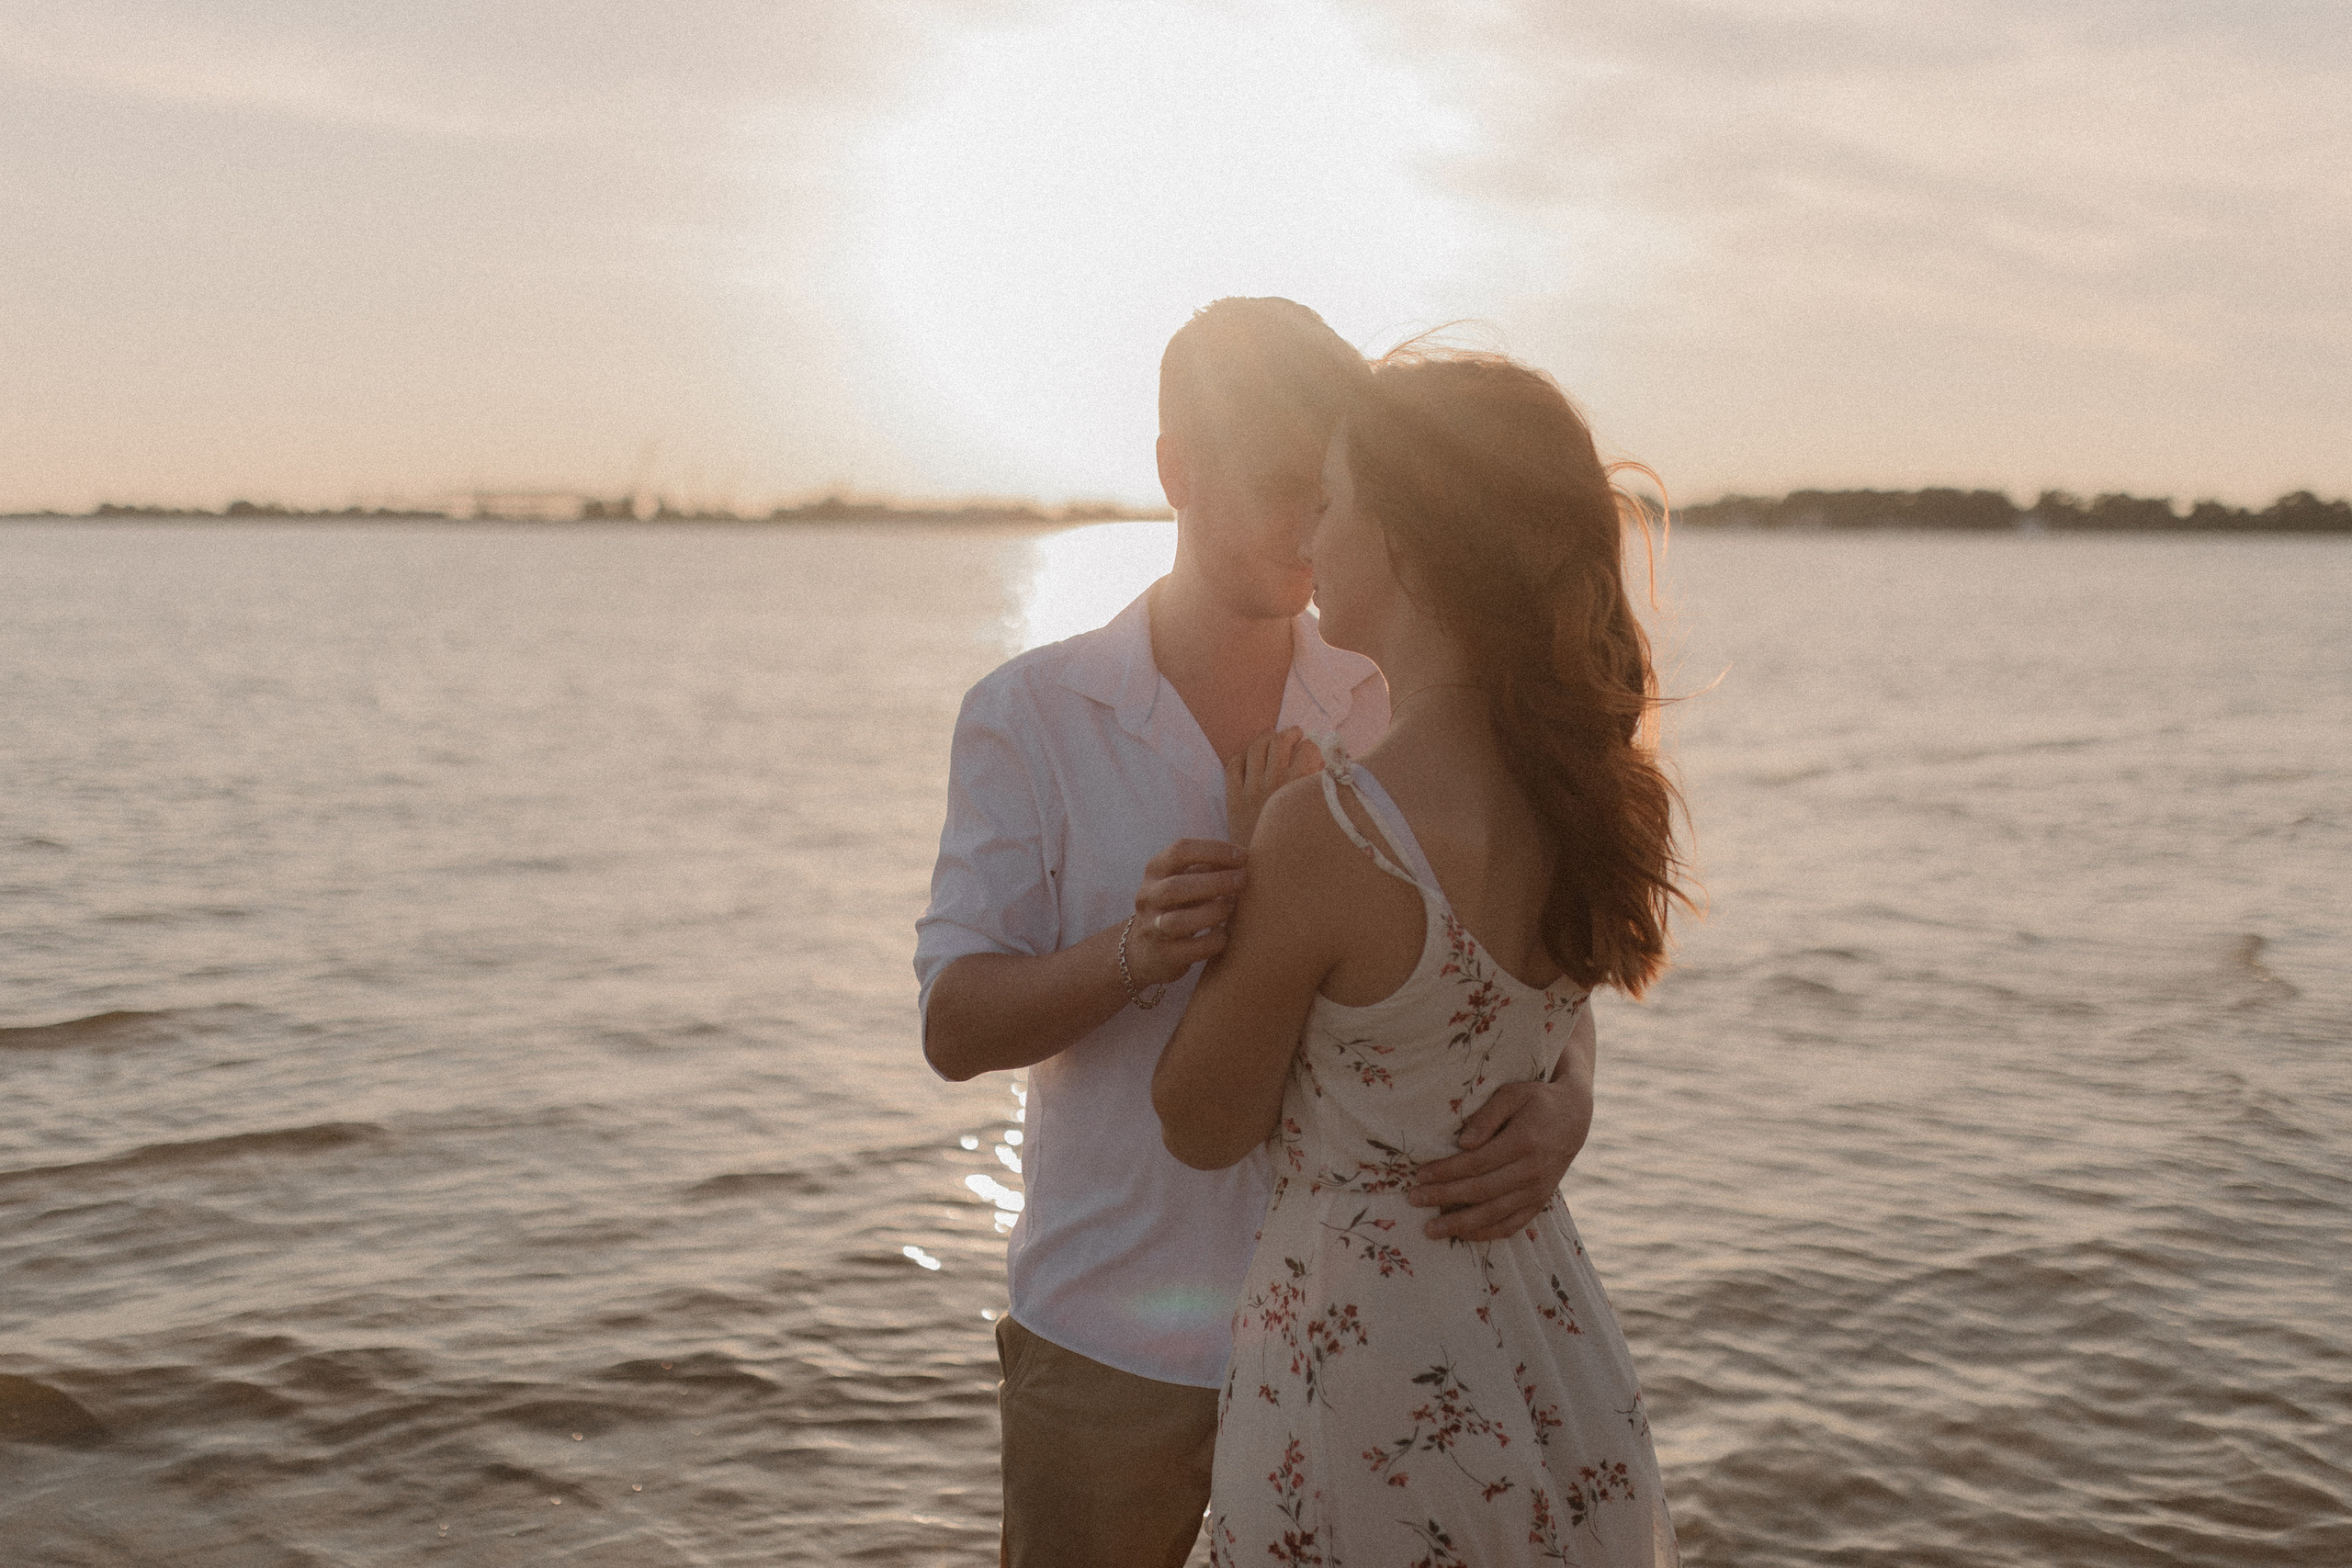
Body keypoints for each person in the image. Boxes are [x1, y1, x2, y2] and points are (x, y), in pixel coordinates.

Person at [916, 300, 1602, 1568]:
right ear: (1176, 470)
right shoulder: (1033, 714)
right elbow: (953, 1025)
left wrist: (1568, 1105)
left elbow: (1523, 966)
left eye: (1328, 490)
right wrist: (1139, 950)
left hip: (1368, 1339)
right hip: (1113, 1347)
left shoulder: (1397, 693)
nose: (1309, 530)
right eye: (1281, 486)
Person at [1153, 346, 1688, 1565]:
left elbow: (1202, 1117)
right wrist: (1571, 1102)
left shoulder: (1333, 831)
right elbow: (1543, 1015)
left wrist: (1240, 891)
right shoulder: (1595, 797)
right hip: (1550, 1345)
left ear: (1398, 538)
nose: (1314, 537)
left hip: (1372, 1370)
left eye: (1334, 502)